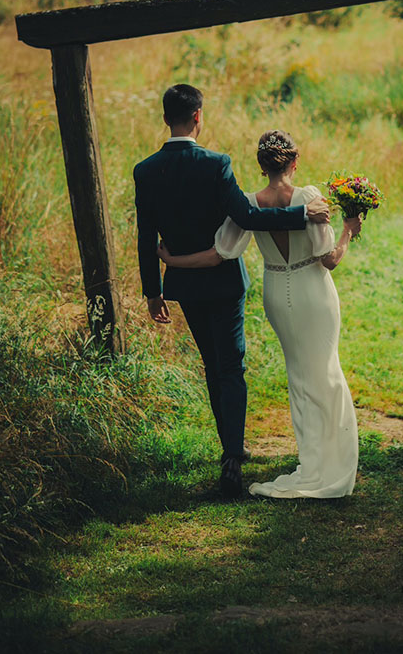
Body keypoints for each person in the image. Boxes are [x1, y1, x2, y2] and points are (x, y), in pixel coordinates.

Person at [133, 86, 330, 499]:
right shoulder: (216, 164)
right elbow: (246, 217)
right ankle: (232, 458)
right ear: (198, 117)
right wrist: (301, 213)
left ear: (166, 117)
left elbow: (146, 235)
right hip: (224, 283)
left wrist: (153, 291)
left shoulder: (145, 170)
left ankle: (230, 449)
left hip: (183, 285)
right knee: (231, 366)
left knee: (211, 365)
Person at [158, 128, 360, 499]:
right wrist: (348, 231)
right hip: (312, 292)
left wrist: (172, 261)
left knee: (299, 373)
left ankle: (313, 456)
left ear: (260, 165)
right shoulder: (309, 197)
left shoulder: (248, 204)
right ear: (295, 162)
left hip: (276, 293)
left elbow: (218, 254)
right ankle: (333, 458)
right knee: (326, 369)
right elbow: (328, 259)